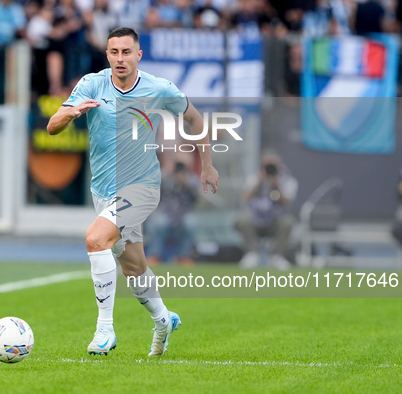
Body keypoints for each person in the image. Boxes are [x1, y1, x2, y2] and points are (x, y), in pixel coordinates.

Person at [47, 27, 219, 357]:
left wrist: (207, 165)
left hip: (141, 187)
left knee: (96, 239)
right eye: (114, 52)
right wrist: (68, 113)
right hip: (103, 190)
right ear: (107, 55)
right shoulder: (90, 84)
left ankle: (104, 330)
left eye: (127, 52)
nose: (120, 58)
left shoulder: (159, 89)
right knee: (133, 267)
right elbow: (52, 128)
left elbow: (195, 119)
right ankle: (163, 319)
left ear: (138, 55)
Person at [235, 153, 297, 270]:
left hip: (275, 221)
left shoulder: (288, 181)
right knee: (243, 220)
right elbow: (245, 197)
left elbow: (287, 202)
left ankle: (276, 256)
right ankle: (251, 254)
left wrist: (276, 185)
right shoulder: (254, 178)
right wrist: (260, 181)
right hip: (255, 219)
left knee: (288, 222)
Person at [145, 161, 200, 266]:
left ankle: (184, 256)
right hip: (164, 211)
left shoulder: (192, 178)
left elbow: (196, 199)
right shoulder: (164, 176)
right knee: (158, 222)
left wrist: (186, 183)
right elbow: (152, 192)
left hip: (184, 212)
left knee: (191, 223)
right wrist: (165, 174)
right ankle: (154, 255)